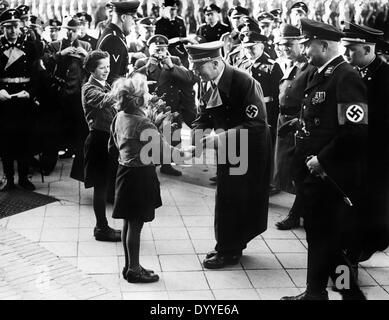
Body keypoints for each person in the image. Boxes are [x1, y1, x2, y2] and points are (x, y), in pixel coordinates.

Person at [281, 19, 368, 300]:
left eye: (308, 45)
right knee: (319, 238)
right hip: (313, 174)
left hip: (330, 176)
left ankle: (349, 295)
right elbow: (321, 120)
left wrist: (323, 160)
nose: (304, 50)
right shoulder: (322, 73)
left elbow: (354, 130)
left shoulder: (345, 76)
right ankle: (315, 292)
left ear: (324, 45)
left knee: (327, 243)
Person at [186, 41, 271, 269]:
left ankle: (230, 250)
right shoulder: (209, 82)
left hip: (250, 151)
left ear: (215, 63)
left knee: (236, 198)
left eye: (197, 68)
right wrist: (197, 137)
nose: (195, 73)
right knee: (226, 197)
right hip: (230, 149)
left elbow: (257, 124)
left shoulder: (245, 82)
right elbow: (203, 115)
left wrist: (219, 139)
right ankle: (227, 245)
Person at [108, 74, 193, 282]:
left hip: (124, 173)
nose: (149, 95)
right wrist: (188, 151)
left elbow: (111, 147)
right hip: (141, 177)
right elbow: (165, 153)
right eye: (145, 92)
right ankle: (135, 271)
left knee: (129, 223)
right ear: (138, 100)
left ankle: (130, 266)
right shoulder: (143, 122)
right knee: (136, 226)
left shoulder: (119, 117)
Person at [342, 22, 389, 267]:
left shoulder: (384, 76)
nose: (347, 54)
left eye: (351, 49)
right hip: (360, 151)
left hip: (378, 153)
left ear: (368, 49)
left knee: (375, 200)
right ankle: (361, 244)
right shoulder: (358, 72)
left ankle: (371, 243)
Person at [134, 34, 197, 176]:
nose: (159, 53)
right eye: (156, 49)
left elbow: (189, 78)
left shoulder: (174, 60)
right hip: (152, 109)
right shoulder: (141, 62)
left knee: (172, 138)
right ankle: (148, 166)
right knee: (150, 138)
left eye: (163, 49)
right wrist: (147, 68)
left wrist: (172, 66)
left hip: (171, 107)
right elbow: (133, 80)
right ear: (149, 49)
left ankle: (166, 165)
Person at [274, 23, 315, 230]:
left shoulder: (311, 68)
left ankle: (296, 214)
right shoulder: (293, 65)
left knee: (299, 171)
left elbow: (310, 100)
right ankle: (300, 212)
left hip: (298, 124)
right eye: (282, 45)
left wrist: (297, 121)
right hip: (285, 123)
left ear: (301, 43)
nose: (285, 48)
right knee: (289, 169)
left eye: (289, 44)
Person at [82, 50, 121, 242]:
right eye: (102, 67)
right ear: (92, 69)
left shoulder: (104, 85)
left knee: (105, 185)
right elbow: (106, 100)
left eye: (108, 66)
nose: (106, 70)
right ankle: (101, 228)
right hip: (98, 140)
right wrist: (125, 88)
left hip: (108, 140)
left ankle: (103, 226)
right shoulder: (89, 89)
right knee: (100, 187)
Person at [0, 8, 39, 192]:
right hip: (4, 102)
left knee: (24, 141)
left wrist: (30, 93)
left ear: (20, 26)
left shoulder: (30, 46)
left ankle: (23, 178)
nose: (12, 31)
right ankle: (8, 179)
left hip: (24, 101)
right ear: (2, 28)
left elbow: (37, 75)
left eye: (15, 26)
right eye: (8, 27)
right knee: (6, 141)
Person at [43, 19, 91, 160]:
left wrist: (86, 55)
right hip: (59, 92)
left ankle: (75, 151)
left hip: (78, 92)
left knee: (78, 124)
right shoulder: (54, 45)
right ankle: (52, 157)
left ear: (79, 31)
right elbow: (46, 63)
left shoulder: (86, 45)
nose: (71, 33)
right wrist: (61, 54)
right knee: (57, 125)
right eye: (68, 30)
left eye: (74, 30)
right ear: (63, 30)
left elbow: (93, 67)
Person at [97, 1, 140, 85]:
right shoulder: (114, 39)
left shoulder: (113, 34)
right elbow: (113, 80)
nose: (133, 23)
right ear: (123, 17)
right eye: (133, 18)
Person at [155, 0, 188, 67]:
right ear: (164, 8)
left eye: (175, 9)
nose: (173, 12)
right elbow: (159, 43)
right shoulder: (158, 23)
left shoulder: (180, 21)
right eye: (171, 9)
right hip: (167, 55)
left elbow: (184, 39)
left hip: (181, 54)